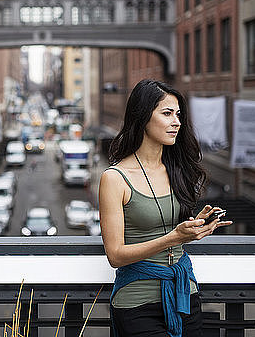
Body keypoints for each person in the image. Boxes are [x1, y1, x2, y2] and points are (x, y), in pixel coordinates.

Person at [98, 79, 232, 336]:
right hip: (137, 302)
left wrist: (195, 227)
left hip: (184, 294)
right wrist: (174, 237)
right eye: (167, 113)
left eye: (178, 114)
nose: (177, 122)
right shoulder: (114, 178)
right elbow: (115, 255)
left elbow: (174, 228)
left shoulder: (177, 170)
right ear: (143, 117)